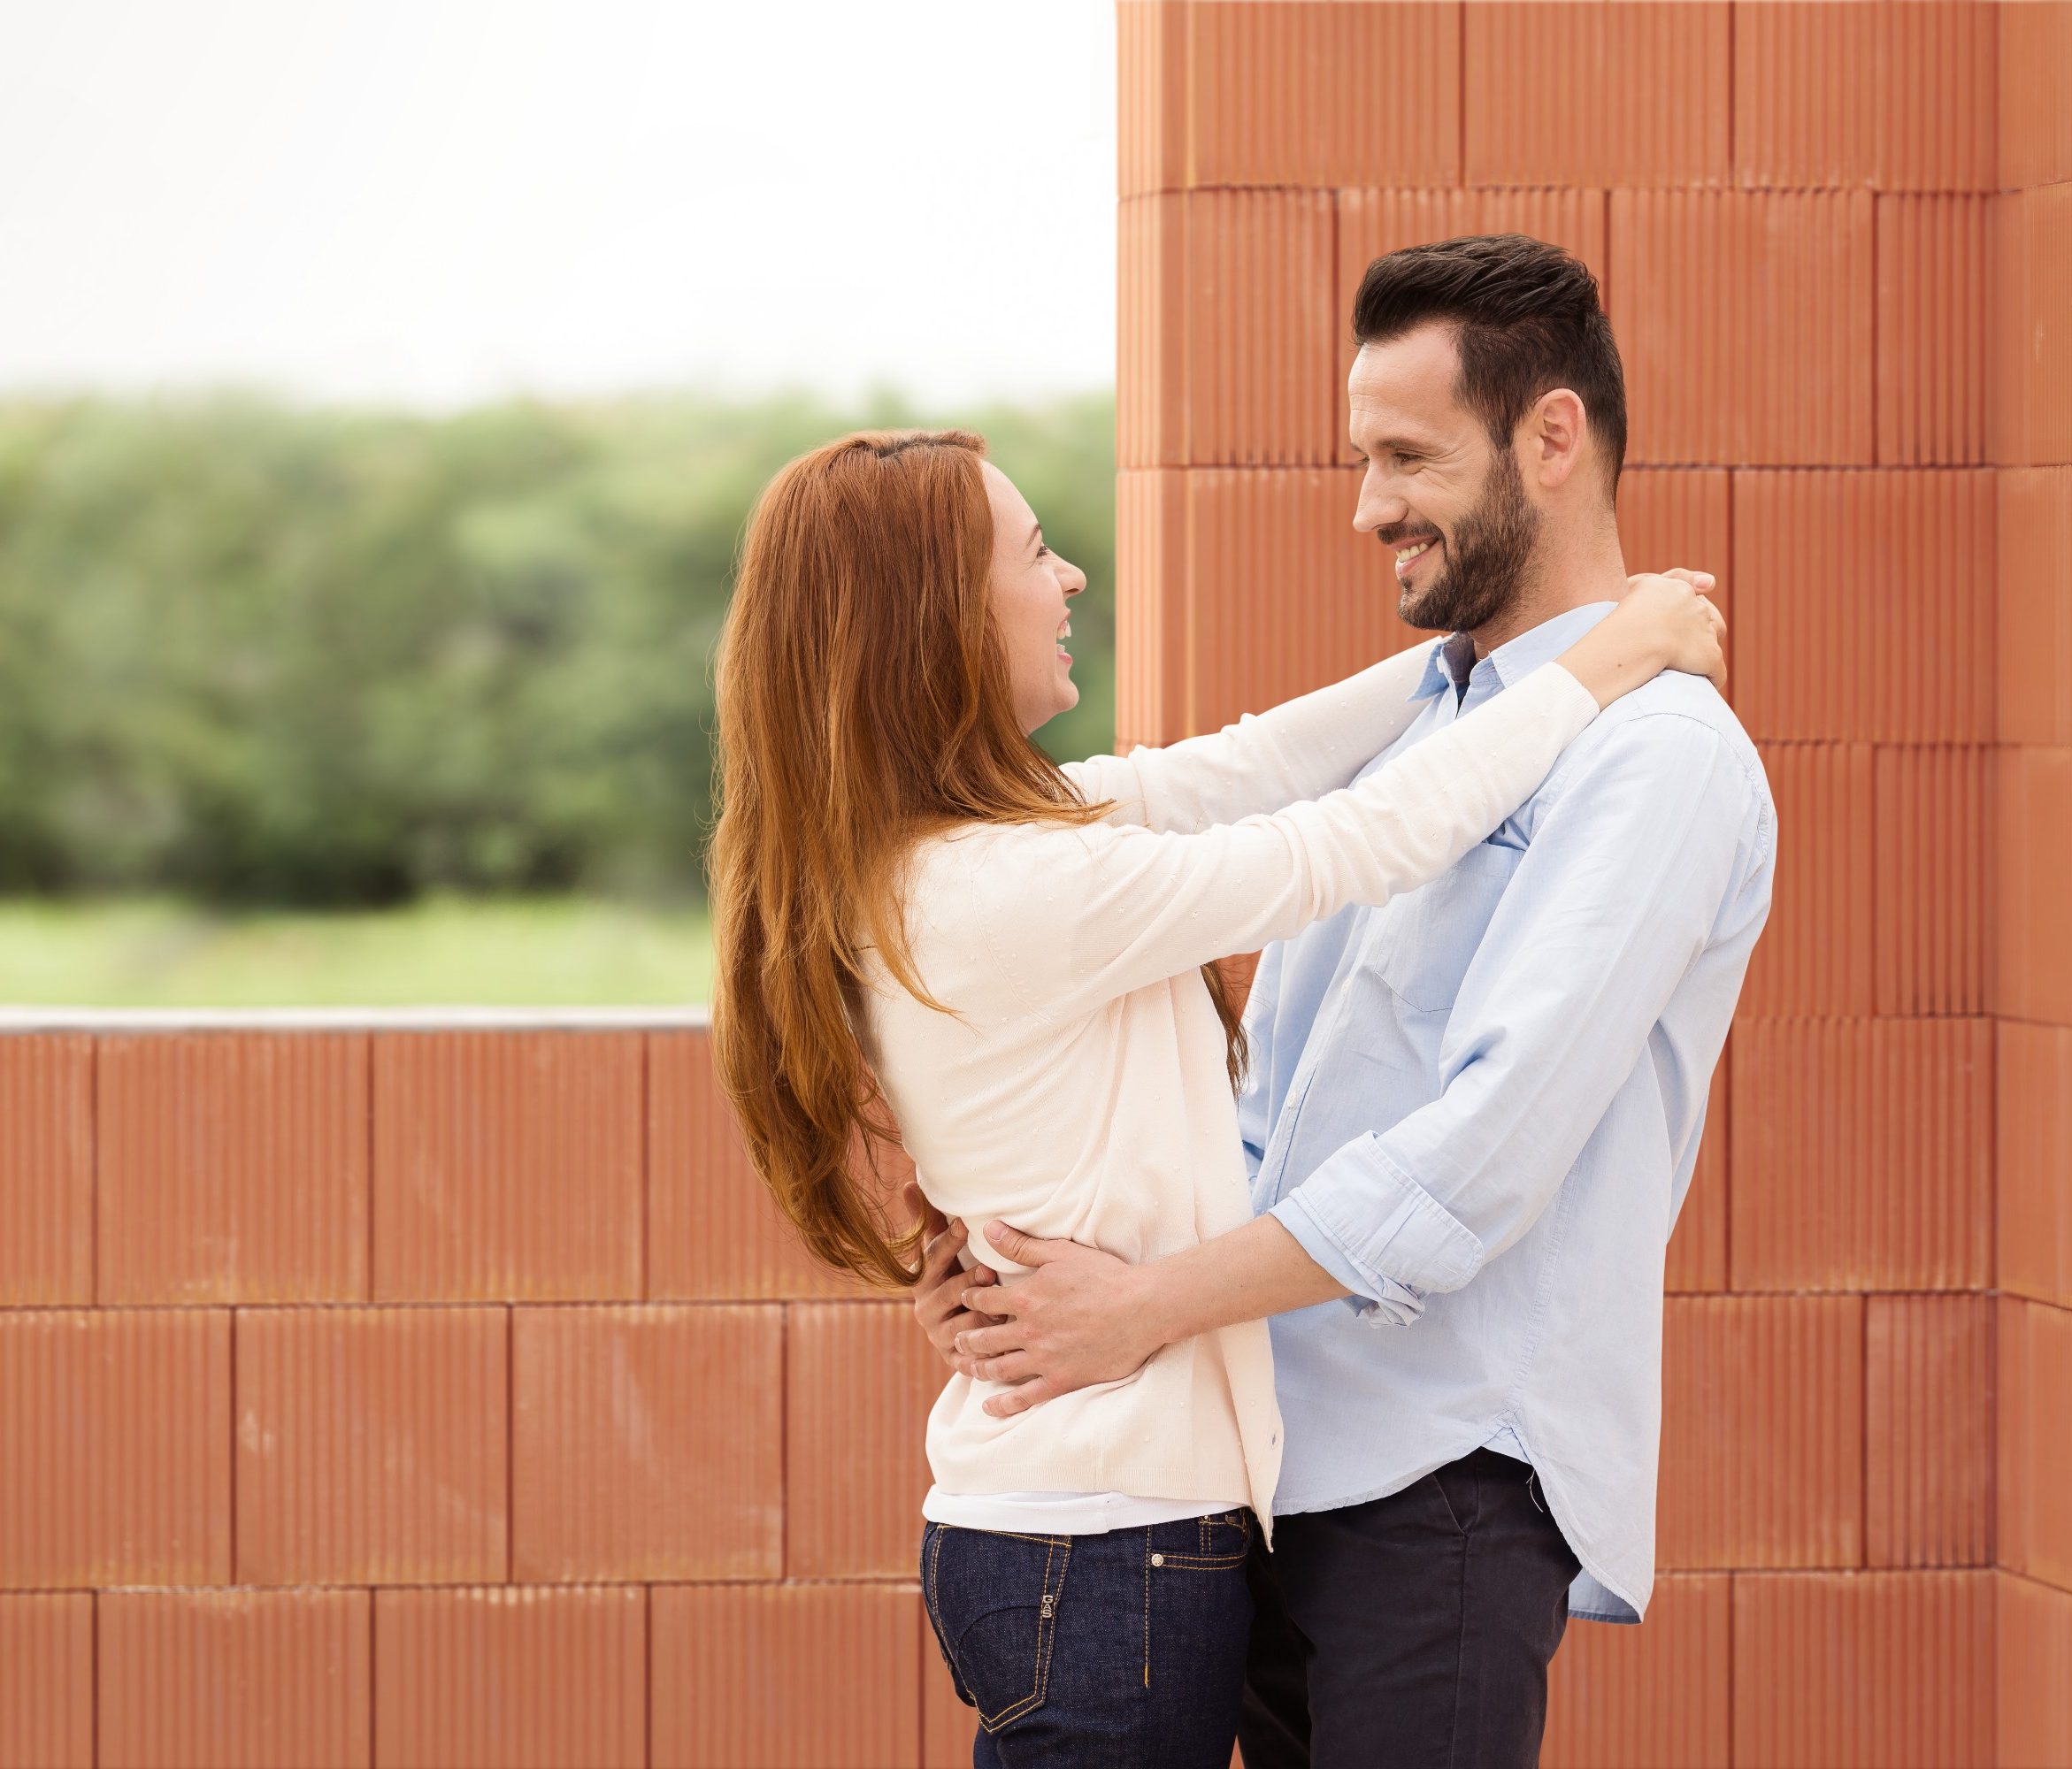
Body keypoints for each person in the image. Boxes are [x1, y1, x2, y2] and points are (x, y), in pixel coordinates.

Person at [706, 419, 1725, 1768]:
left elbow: (1244, 766)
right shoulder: (1012, 889)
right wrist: (1610, 657)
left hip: (1083, 1536)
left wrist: (1480, 662)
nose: (1068, 579)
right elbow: (1362, 837)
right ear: (939, 618)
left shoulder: (977, 850)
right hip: (1103, 1544)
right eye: (1033, 553)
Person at [911, 234, 1779, 1769]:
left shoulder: (1657, 759)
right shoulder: (1420, 739)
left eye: (1405, 455)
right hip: (1265, 1454)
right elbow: (1265, 1105)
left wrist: (1138, 1309)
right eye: (1360, 453)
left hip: (1437, 1484)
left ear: (1551, 439)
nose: (1366, 503)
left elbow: (1482, 1154)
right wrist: (1021, 1269)